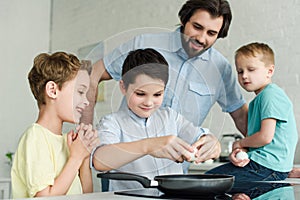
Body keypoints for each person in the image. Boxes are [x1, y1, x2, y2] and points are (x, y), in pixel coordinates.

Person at [93, 48, 220, 191]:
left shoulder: (171, 117)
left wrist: (211, 143)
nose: (149, 102)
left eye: (157, 94)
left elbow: (201, 137)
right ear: (123, 87)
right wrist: (149, 146)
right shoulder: (112, 123)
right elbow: (99, 160)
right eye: (140, 94)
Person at [205, 42, 298, 182]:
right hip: (264, 166)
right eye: (240, 71)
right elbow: (259, 140)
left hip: (265, 167)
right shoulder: (258, 100)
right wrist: (243, 151)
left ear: (270, 71)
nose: (244, 76)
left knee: (206, 181)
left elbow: (265, 137)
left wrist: (240, 144)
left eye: (251, 69)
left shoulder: (270, 95)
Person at [11, 52, 100, 198]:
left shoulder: (69, 142)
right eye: (80, 91)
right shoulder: (35, 137)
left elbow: (87, 195)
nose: (86, 101)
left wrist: (84, 155)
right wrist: (76, 158)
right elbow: (45, 197)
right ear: (52, 90)